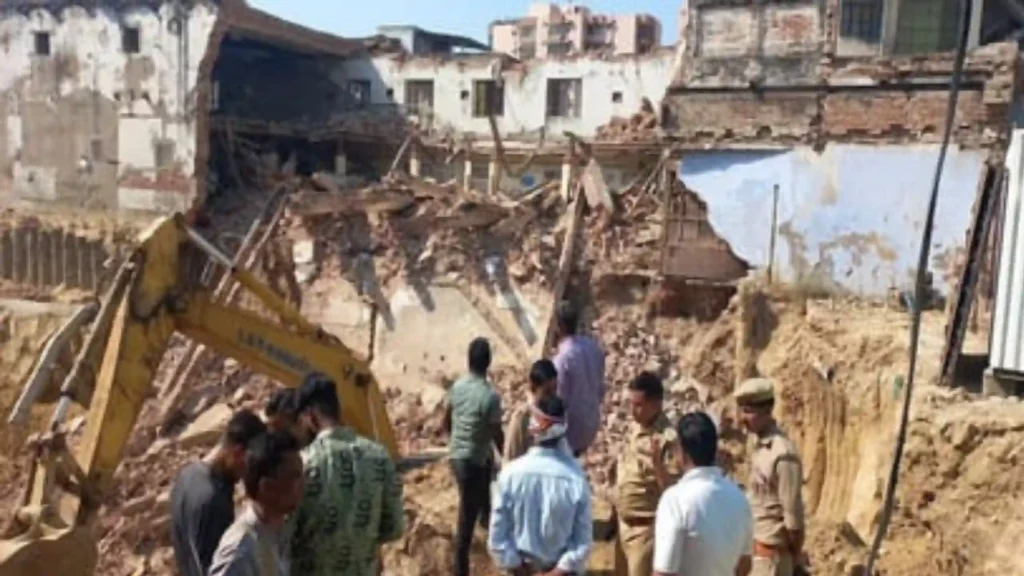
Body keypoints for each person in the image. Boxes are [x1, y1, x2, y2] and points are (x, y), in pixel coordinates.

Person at [288, 373, 405, 576]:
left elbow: (284, 534)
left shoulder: (303, 463)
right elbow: (394, 527)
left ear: (310, 416)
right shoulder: (379, 456)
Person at [489, 395, 592, 575]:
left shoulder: (510, 475)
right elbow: (582, 543)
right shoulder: (576, 480)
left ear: (532, 429)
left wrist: (521, 569)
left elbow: (497, 540)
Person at [653, 412, 753, 576]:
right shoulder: (739, 498)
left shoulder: (675, 500)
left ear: (682, 452)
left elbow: (664, 572)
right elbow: (744, 564)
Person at [171, 409, 267, 576]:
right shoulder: (214, 500)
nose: (250, 472)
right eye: (250, 463)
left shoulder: (187, 475)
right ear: (238, 453)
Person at [443, 337, 505, 576]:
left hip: (457, 459)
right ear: (488, 363)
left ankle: (487, 520)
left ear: (468, 360)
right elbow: (496, 433)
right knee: (465, 524)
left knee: (481, 495)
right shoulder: (490, 396)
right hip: (473, 462)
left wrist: (455, 442)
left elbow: (445, 420)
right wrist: (509, 456)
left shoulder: (457, 387)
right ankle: (461, 570)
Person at [613, 372, 683, 576]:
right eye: (631, 403)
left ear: (657, 404)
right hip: (623, 526)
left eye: (639, 405)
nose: (632, 411)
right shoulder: (634, 428)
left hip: (645, 532)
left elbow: (674, 492)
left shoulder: (667, 440)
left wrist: (658, 466)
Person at [734, 378, 805, 576]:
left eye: (749, 411)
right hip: (757, 555)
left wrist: (794, 559)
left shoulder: (783, 454)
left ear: (767, 410)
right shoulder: (758, 446)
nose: (742, 418)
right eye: (742, 410)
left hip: (772, 560)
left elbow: (792, 518)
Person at [208, 430, 305, 576]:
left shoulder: (277, 531)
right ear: (267, 487)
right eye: (295, 476)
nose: (304, 483)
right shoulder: (240, 551)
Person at [551, 301, 605, 457]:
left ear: (559, 326)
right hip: (592, 423)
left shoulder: (562, 360)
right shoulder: (593, 347)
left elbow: (559, 402)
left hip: (573, 432)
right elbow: (600, 387)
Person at [503, 359, 558, 462]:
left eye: (555, 389)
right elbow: (510, 460)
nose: (552, 396)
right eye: (547, 392)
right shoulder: (522, 418)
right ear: (534, 389)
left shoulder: (556, 416)